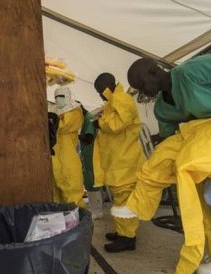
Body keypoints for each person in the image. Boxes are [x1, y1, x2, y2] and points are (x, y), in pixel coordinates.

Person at [126, 47, 211, 274]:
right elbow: (174, 139)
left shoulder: (189, 72)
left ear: (154, 71)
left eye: (142, 84)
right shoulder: (162, 109)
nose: (143, 92)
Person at [93, 72, 145, 252]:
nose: (99, 95)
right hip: (119, 161)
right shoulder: (114, 101)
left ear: (106, 87)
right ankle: (122, 231)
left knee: (125, 199)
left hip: (126, 161)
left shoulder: (122, 99)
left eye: (100, 91)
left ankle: (128, 238)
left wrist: (99, 123)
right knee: (120, 198)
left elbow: (118, 123)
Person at [51, 86, 86, 208]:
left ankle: (79, 221)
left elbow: (62, 126)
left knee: (73, 192)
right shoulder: (55, 113)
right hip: (55, 156)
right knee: (57, 194)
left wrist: (52, 121)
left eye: (61, 97)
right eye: (56, 97)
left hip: (68, 156)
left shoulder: (74, 112)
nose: (58, 99)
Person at [78, 103, 104, 219]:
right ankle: (96, 209)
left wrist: (76, 135)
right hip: (88, 154)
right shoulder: (86, 119)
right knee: (90, 183)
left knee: (92, 183)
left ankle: (97, 212)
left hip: (91, 154)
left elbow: (88, 139)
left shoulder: (88, 119)